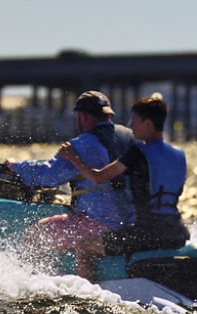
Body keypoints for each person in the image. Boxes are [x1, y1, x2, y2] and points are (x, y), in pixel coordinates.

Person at [58, 94, 190, 279]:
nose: (129, 125)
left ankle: (89, 295)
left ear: (148, 125)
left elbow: (98, 177)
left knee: (84, 247)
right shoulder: (179, 154)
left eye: (134, 121)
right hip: (177, 233)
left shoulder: (138, 153)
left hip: (146, 235)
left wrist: (73, 157)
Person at [9, 91, 134, 266]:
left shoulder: (82, 144)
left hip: (102, 224)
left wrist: (15, 167)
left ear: (82, 116)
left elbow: (48, 176)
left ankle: (36, 281)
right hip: (130, 222)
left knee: (34, 233)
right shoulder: (130, 136)